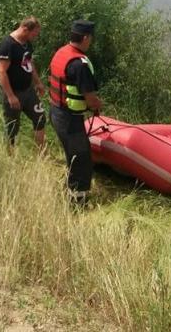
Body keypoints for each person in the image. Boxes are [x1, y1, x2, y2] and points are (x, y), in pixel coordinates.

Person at [49, 19, 102, 204]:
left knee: (72, 154)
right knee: (82, 159)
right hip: (69, 120)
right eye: (91, 38)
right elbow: (90, 97)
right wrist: (97, 105)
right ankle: (77, 203)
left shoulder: (62, 52)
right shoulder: (79, 64)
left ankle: (71, 190)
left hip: (56, 112)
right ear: (86, 38)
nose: (91, 42)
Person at [0, 16, 46, 150]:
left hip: (28, 90)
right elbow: (1, 72)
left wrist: (38, 82)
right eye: (34, 33)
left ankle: (42, 153)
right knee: (12, 126)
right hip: (13, 92)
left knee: (40, 118)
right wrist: (11, 96)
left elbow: (28, 62)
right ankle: (10, 155)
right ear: (24, 29)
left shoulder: (27, 43)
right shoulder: (8, 45)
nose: (35, 36)